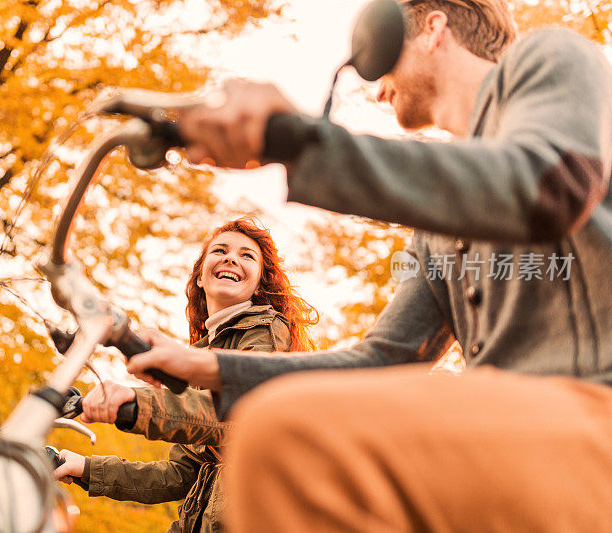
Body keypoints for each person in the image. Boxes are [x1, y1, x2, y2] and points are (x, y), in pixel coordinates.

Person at [125, 0, 612, 530]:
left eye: (385, 56)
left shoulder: (553, 57)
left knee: (287, 441)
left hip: (593, 421)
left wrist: (293, 140)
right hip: (512, 449)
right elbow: (382, 358)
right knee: (294, 439)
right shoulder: (436, 229)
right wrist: (202, 367)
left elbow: (545, 184)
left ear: (434, 28)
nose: (376, 87)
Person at [53, 216, 317, 532]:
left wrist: (136, 404)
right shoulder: (201, 355)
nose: (231, 257)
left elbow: (237, 415)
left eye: (247, 255)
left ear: (260, 282)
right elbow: (180, 475)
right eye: (220, 250)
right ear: (201, 277)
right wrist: (85, 468)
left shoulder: (267, 329)